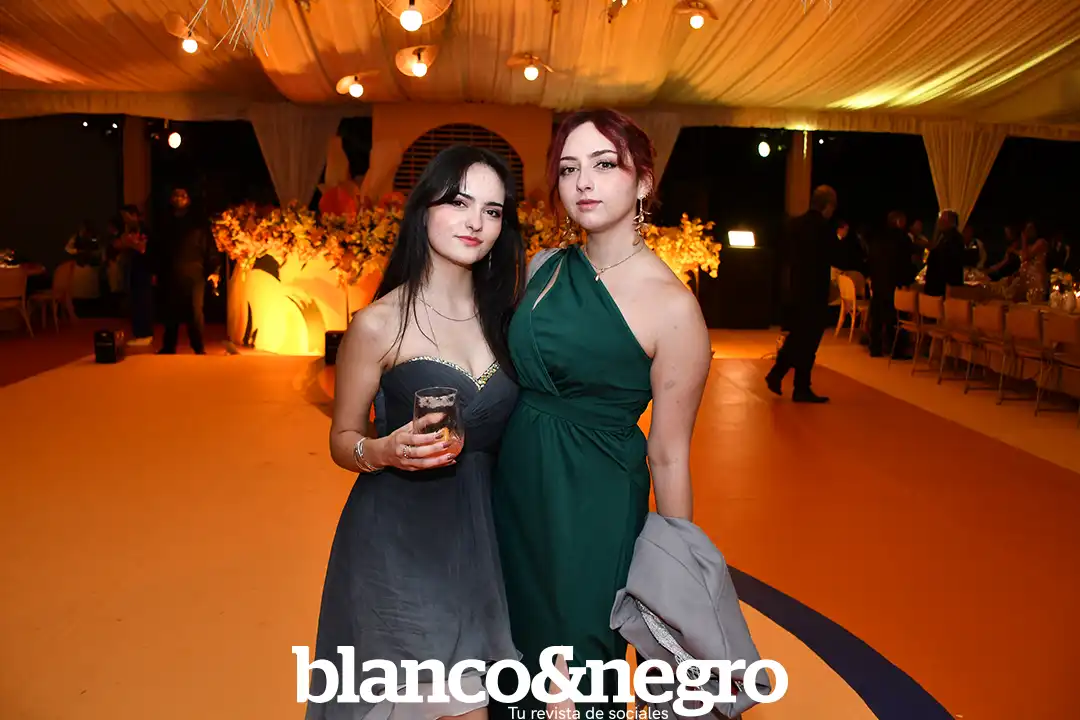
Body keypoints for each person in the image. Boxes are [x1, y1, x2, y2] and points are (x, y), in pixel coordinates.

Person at [489, 109, 712, 720]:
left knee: (576, 674)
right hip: (512, 491)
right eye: (569, 169)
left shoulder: (673, 307)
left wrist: (676, 572)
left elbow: (669, 453)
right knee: (507, 659)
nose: (583, 182)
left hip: (593, 508)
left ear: (643, 182)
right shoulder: (543, 268)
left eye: (604, 164)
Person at [309, 145, 526, 720]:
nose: (475, 222)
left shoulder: (509, 319)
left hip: (483, 543)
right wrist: (380, 450)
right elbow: (342, 437)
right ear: (423, 208)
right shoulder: (378, 323)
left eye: (493, 210)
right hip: (398, 542)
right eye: (458, 202)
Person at [765, 185, 839, 403]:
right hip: (815, 291)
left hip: (796, 288)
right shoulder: (823, 228)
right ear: (828, 206)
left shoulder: (795, 225)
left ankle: (782, 376)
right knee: (808, 341)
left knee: (798, 336)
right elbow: (835, 256)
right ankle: (798, 385)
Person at [153, 187, 220, 354]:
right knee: (170, 309)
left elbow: (209, 247)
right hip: (171, 271)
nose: (179, 198)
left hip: (194, 272)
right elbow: (157, 249)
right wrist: (154, 270)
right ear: (171, 198)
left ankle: (198, 346)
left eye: (183, 195)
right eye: (176, 195)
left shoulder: (199, 223)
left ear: (189, 199)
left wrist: (215, 270)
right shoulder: (165, 222)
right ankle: (169, 346)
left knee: (195, 310)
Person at [867, 210, 916, 358]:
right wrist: (908, 280)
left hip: (878, 281)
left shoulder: (877, 237)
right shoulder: (902, 238)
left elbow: (871, 259)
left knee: (877, 317)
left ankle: (875, 348)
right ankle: (896, 349)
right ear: (899, 222)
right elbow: (906, 262)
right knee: (895, 318)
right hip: (895, 283)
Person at [112, 204, 154, 345]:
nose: (125, 219)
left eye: (126, 216)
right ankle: (138, 333)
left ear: (134, 215)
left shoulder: (144, 229)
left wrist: (129, 243)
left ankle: (145, 333)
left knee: (143, 300)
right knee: (135, 301)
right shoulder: (128, 229)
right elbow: (117, 244)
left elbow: (142, 248)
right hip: (132, 269)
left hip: (144, 269)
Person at [923, 210, 965, 297]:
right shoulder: (943, 237)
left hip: (943, 287)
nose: (939, 223)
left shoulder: (953, 239)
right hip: (939, 286)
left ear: (951, 222)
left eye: (942, 220)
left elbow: (949, 263)